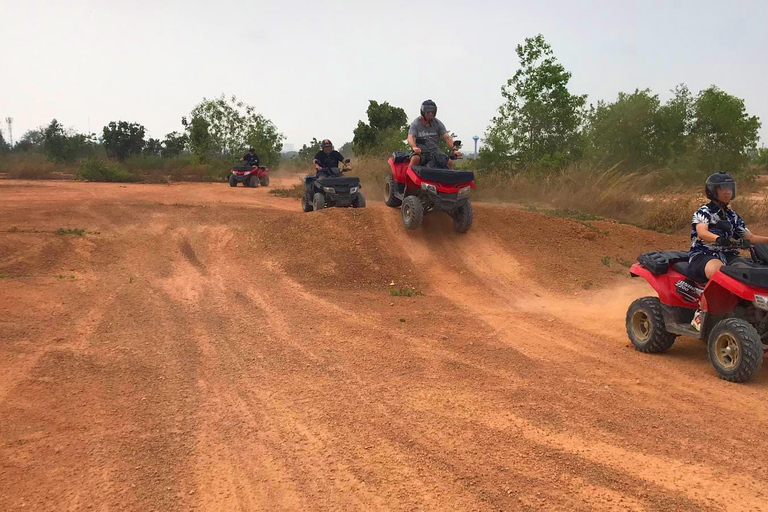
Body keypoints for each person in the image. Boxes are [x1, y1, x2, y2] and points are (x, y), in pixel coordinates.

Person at [688, 172, 768, 330]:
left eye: (730, 188)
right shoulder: (703, 212)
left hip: (729, 256)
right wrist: (717, 239)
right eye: (723, 188)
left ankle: (746, 311)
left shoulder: (732, 216)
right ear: (712, 191)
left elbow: (750, 237)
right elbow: (702, 232)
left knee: (747, 273)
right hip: (704, 254)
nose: (727, 191)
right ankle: (699, 315)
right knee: (720, 273)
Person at [407, 99, 461, 169]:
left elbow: (447, 137)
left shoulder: (438, 123)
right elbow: (410, 137)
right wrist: (414, 147)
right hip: (421, 152)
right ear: (423, 112)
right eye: (428, 112)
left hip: (435, 152)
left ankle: (451, 179)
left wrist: (454, 150)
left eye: (432, 112)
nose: (430, 114)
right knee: (415, 159)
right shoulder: (416, 124)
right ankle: (407, 177)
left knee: (449, 162)